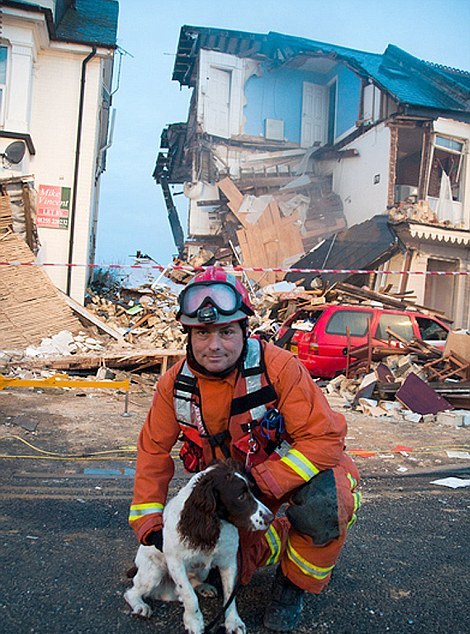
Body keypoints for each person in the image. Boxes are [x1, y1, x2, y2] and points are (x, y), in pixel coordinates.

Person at [128, 266, 361, 632]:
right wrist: (149, 524)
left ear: (244, 332)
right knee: (234, 563)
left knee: (327, 503)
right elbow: (153, 453)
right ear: (189, 335)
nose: (214, 345)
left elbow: (325, 439)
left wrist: (266, 479)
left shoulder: (279, 368)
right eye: (202, 333)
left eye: (226, 332)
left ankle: (292, 586)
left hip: (279, 482)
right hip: (234, 494)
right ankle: (278, 540)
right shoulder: (174, 386)